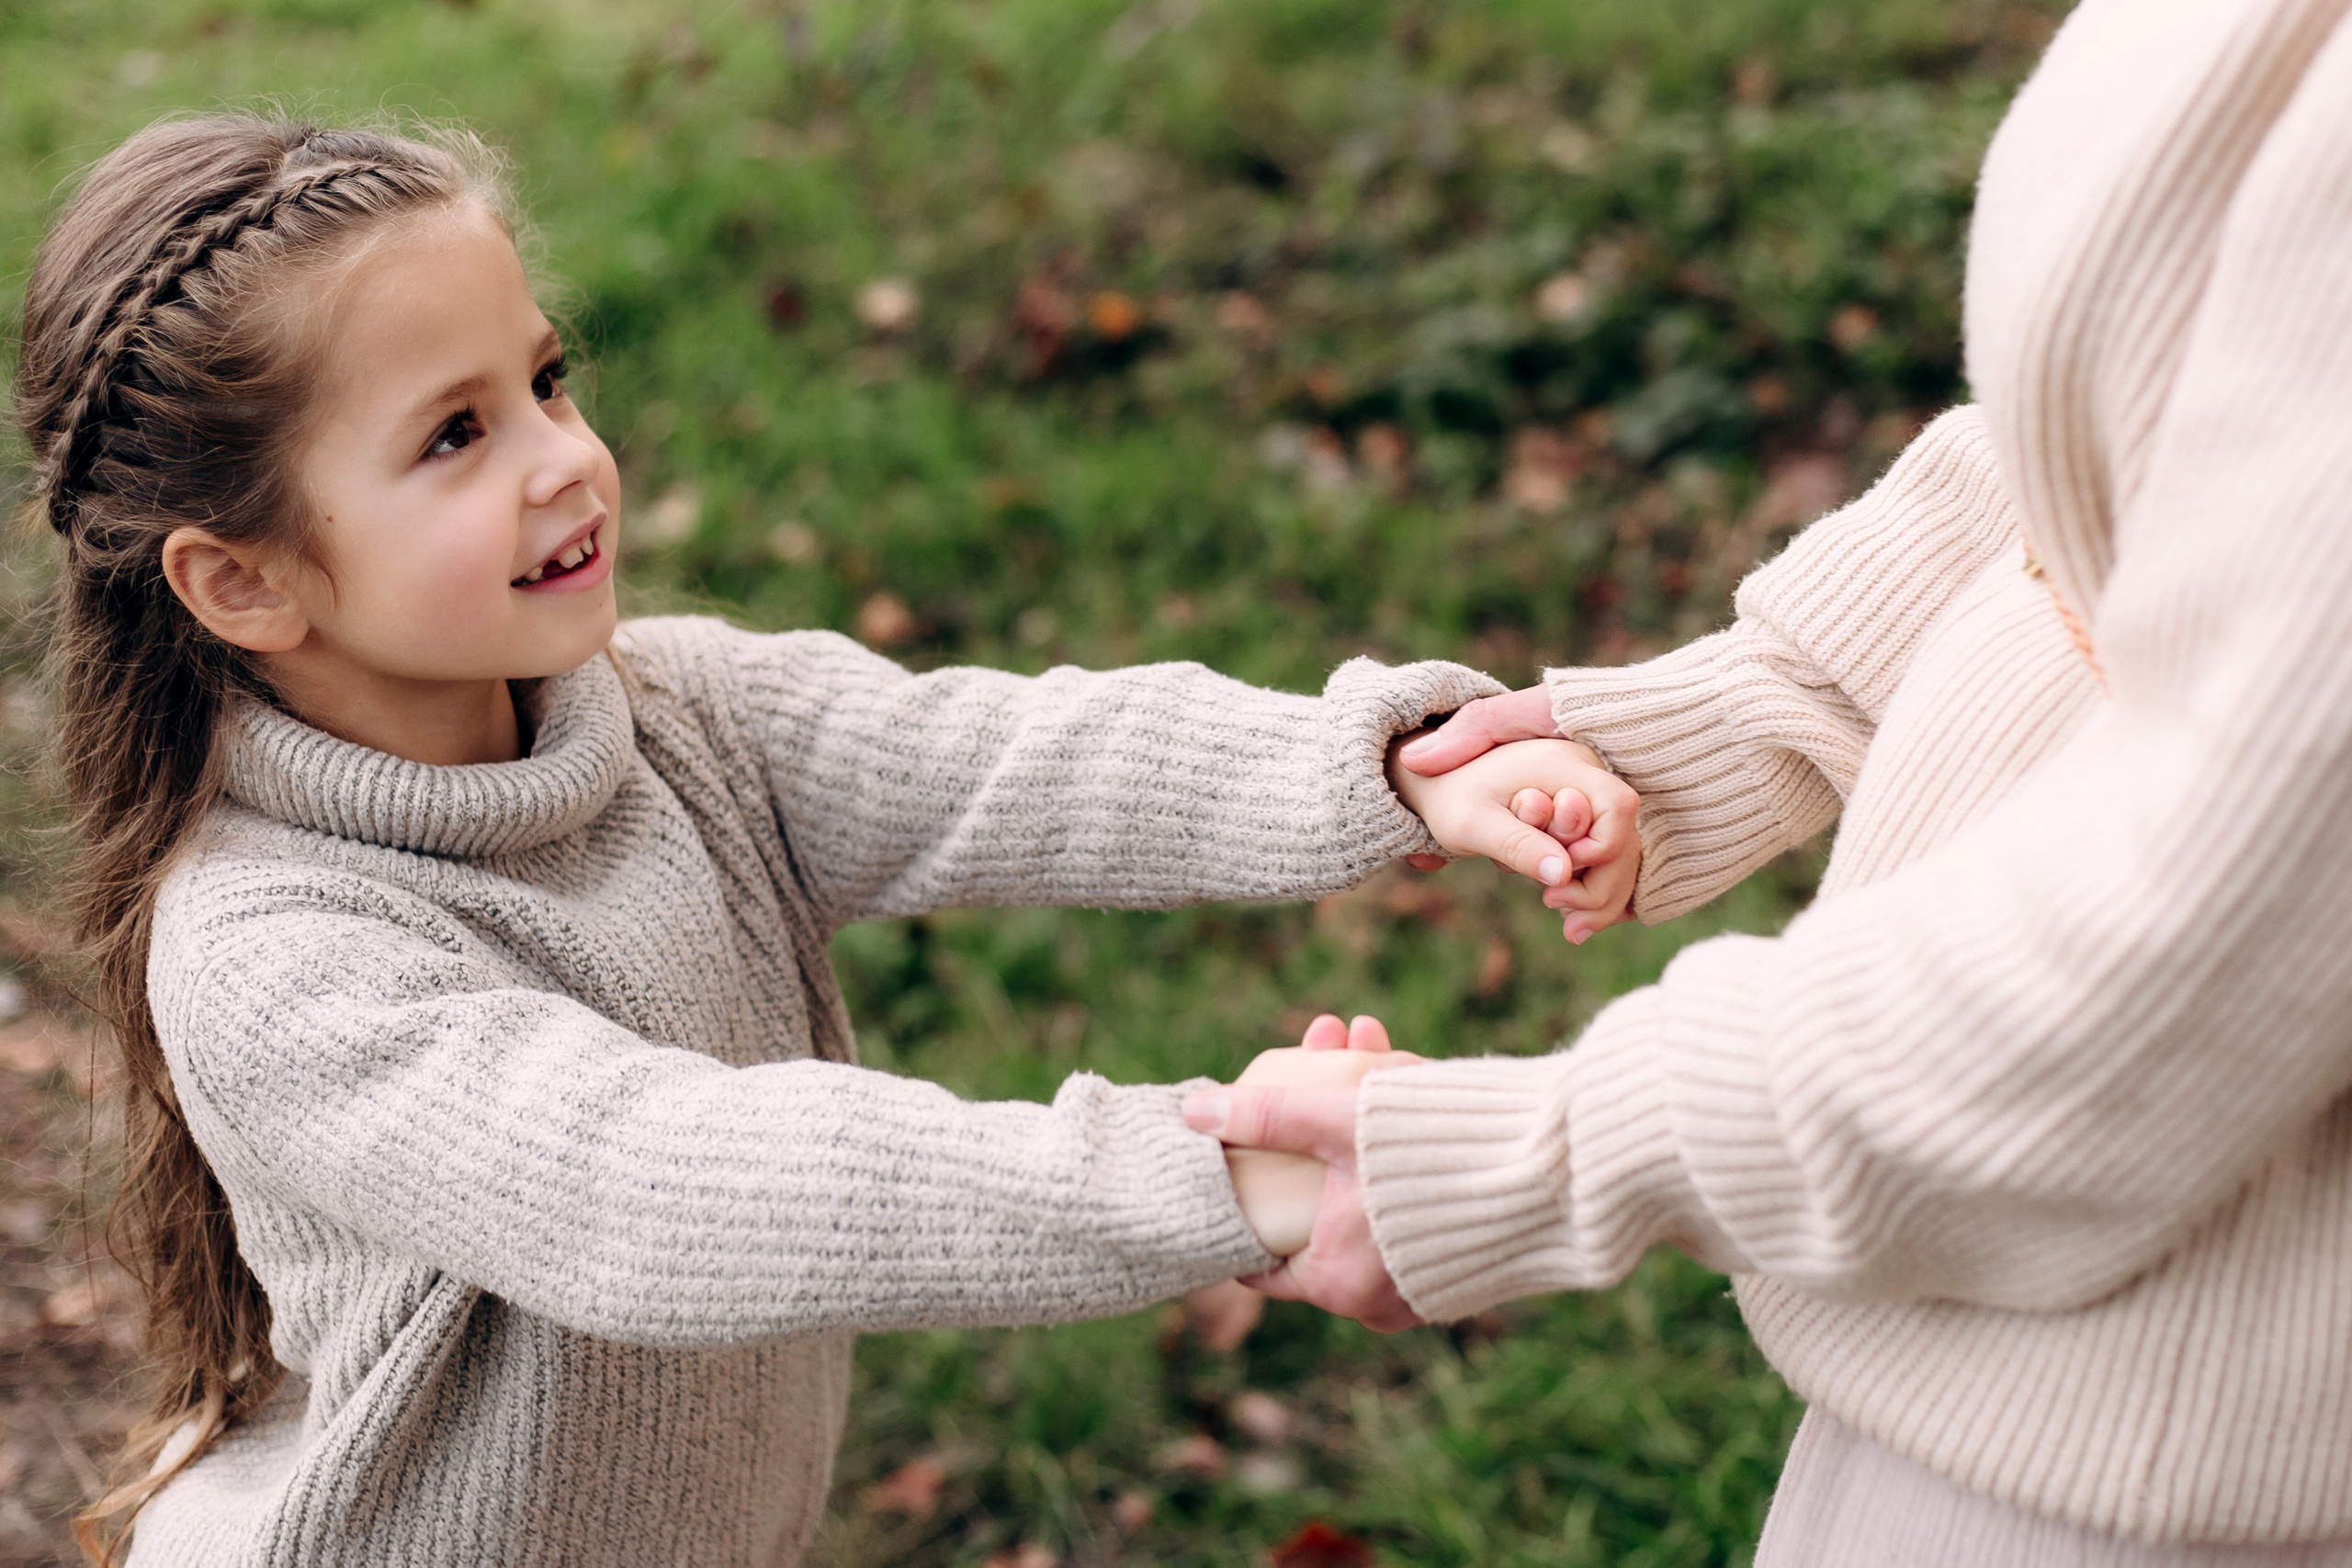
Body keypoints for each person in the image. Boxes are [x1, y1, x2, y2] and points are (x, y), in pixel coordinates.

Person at [16, 112, 1642, 1566]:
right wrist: (1233, 1170)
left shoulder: (675, 718)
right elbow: (656, 1187)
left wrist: (1393, 769)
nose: (564, 458)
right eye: (456, 435)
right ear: (242, 580)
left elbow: (1007, 757)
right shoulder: (277, 957)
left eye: (545, 379)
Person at [1192, 0, 2352, 1561]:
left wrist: (1536, 1158)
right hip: (2003, 1338)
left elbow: (2150, 986)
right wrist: (1727, 717)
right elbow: (2102, 430)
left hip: (2183, 1435)